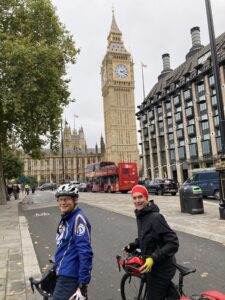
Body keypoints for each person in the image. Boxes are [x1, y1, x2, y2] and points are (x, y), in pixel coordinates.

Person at [123, 185, 179, 300]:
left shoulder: (155, 217)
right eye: (134, 198)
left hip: (162, 268)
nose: (137, 201)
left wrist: (153, 258)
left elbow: (173, 242)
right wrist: (133, 245)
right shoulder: (141, 215)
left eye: (140, 197)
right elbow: (146, 236)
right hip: (151, 266)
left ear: (146, 198)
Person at [53, 183, 93, 300]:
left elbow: (85, 252)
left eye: (66, 199)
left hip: (69, 276)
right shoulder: (67, 218)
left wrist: (83, 283)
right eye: (60, 199)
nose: (63, 202)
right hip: (63, 271)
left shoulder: (78, 220)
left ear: (75, 200)